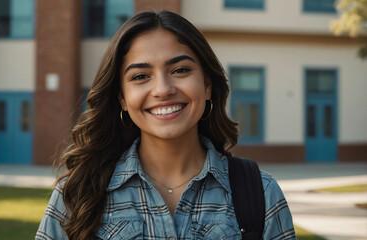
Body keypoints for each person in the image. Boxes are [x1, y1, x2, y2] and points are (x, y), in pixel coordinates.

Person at [35, 10, 295, 240]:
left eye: (180, 70)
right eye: (140, 76)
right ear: (122, 98)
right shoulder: (78, 194)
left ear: (207, 85)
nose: (162, 89)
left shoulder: (261, 192)